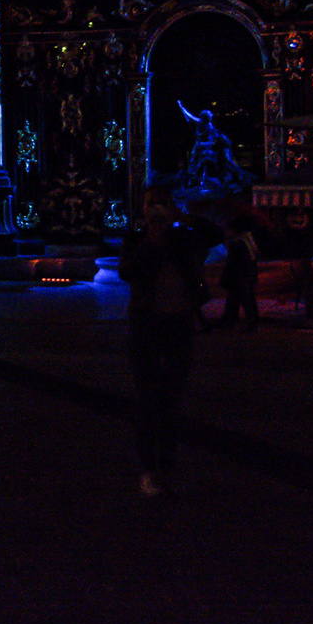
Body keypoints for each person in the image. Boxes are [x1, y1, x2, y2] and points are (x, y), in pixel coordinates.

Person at [119, 185, 212, 496]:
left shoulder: (182, 238)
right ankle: (148, 469)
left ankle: (167, 468)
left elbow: (213, 235)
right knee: (147, 401)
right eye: (151, 205)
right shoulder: (136, 237)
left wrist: (181, 220)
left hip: (177, 325)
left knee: (171, 401)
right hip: (146, 326)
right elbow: (126, 272)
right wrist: (149, 243)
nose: (156, 211)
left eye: (162, 205)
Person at [217, 217, 260, 330]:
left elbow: (234, 262)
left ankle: (249, 322)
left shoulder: (237, 242)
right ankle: (230, 319)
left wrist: (228, 274)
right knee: (240, 297)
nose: (226, 232)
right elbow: (254, 257)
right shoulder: (248, 239)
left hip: (240, 274)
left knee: (243, 298)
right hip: (247, 273)